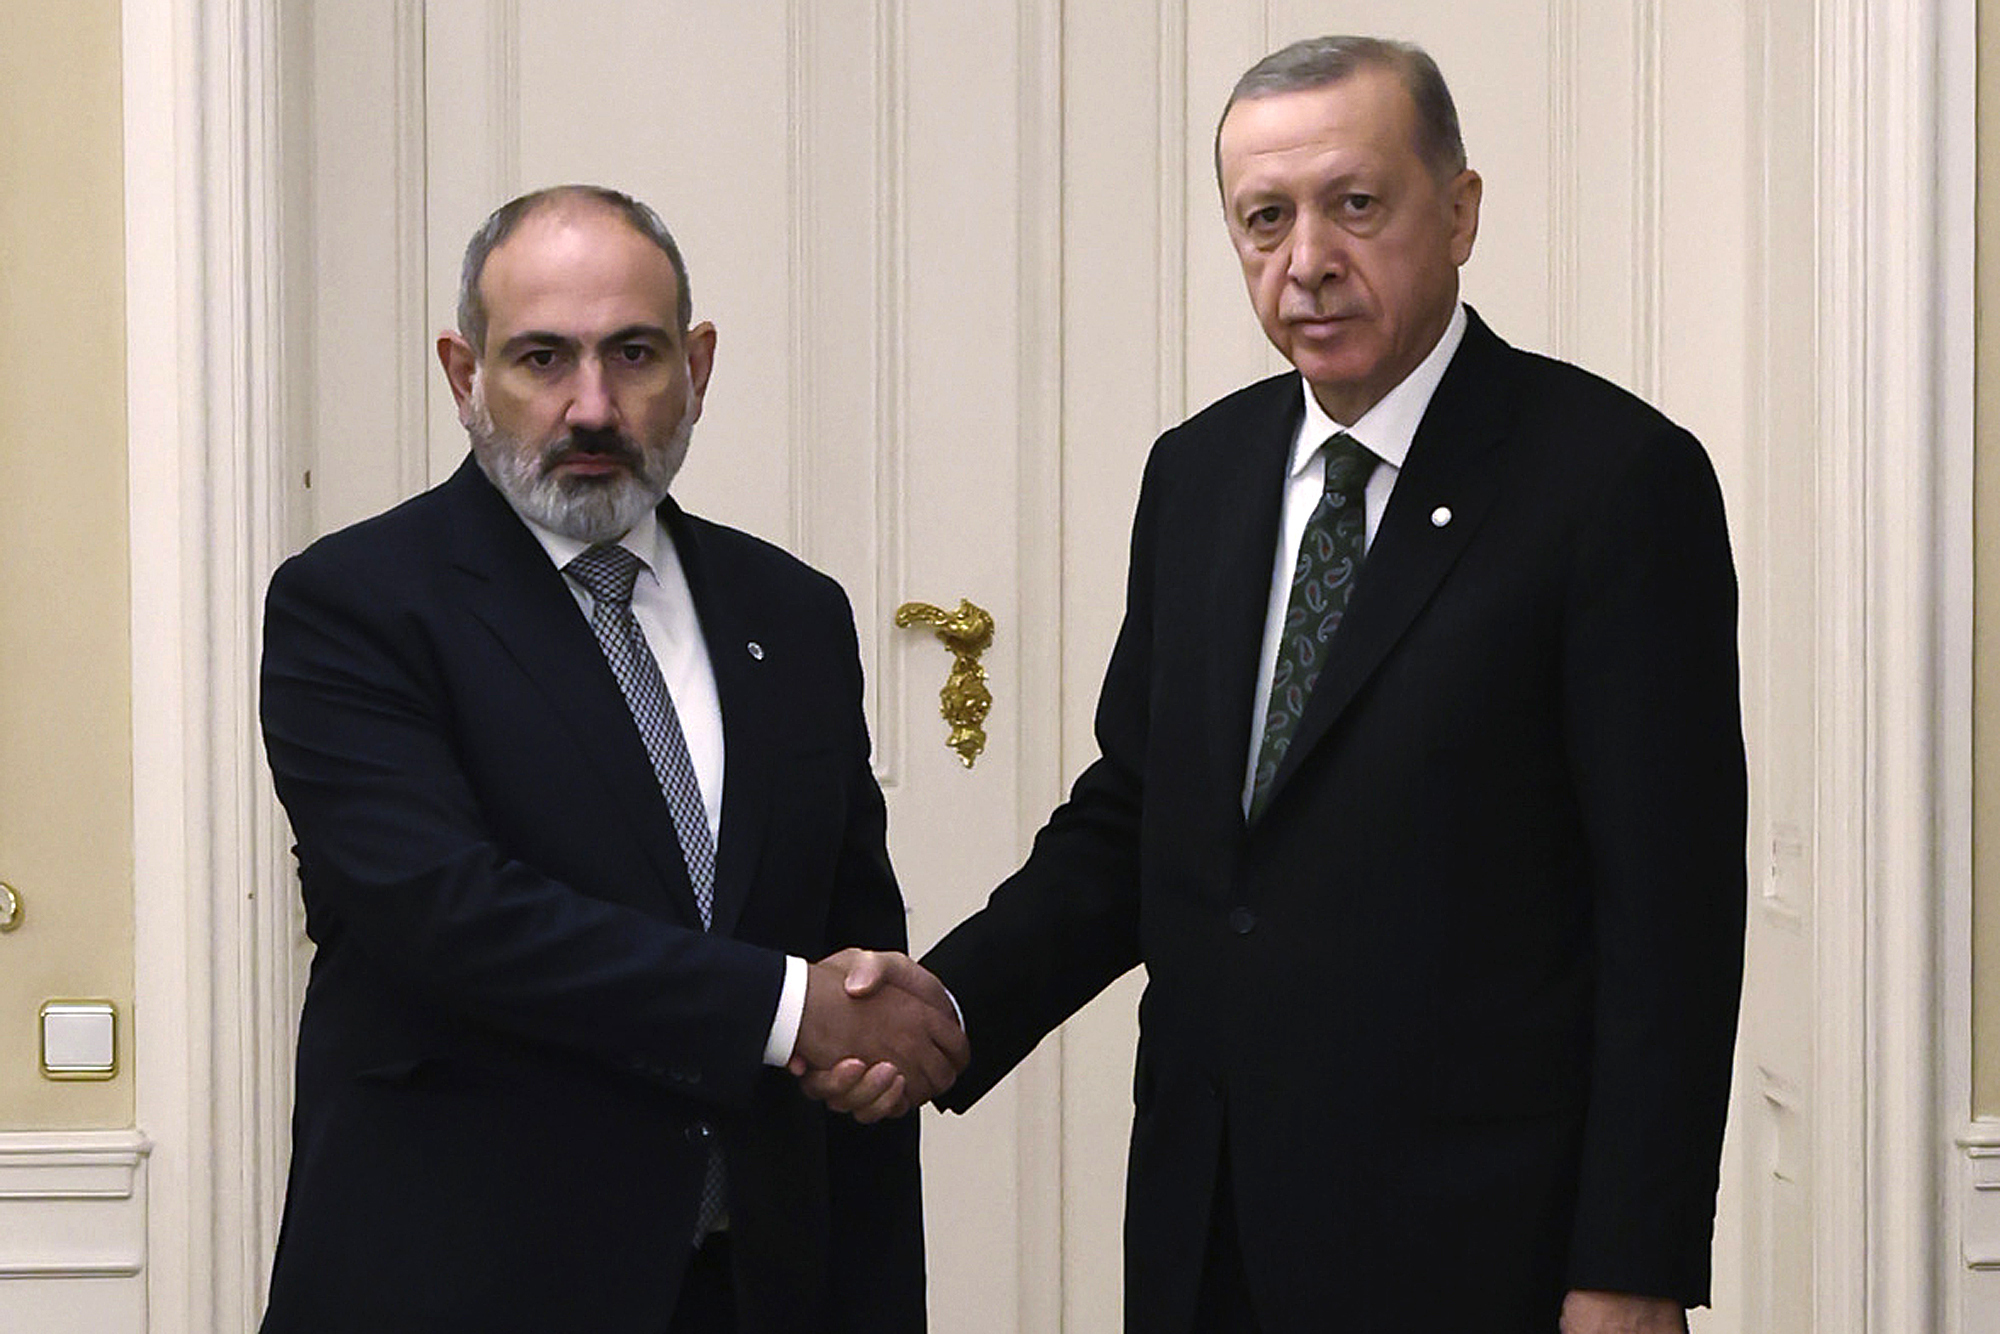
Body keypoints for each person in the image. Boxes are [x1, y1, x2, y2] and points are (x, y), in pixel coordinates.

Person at [803, 36, 1745, 1334]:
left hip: (1481, 1241)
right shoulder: (1200, 475)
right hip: (1210, 1221)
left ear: (1460, 210)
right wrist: (950, 1005)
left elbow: (1673, 920)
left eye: (1355, 204)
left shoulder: (1614, 483)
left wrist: (1632, 1261)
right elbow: (1139, 819)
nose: (1306, 259)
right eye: (1264, 218)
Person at [257, 185, 966, 1334]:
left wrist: (872, 1043)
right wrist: (792, 1010)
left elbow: (849, 936)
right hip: (469, 1282)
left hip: (754, 1283)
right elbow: (450, 913)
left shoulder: (792, 611)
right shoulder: (357, 605)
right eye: (543, 357)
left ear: (696, 365)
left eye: (633, 354)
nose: (592, 406)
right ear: (462, 372)